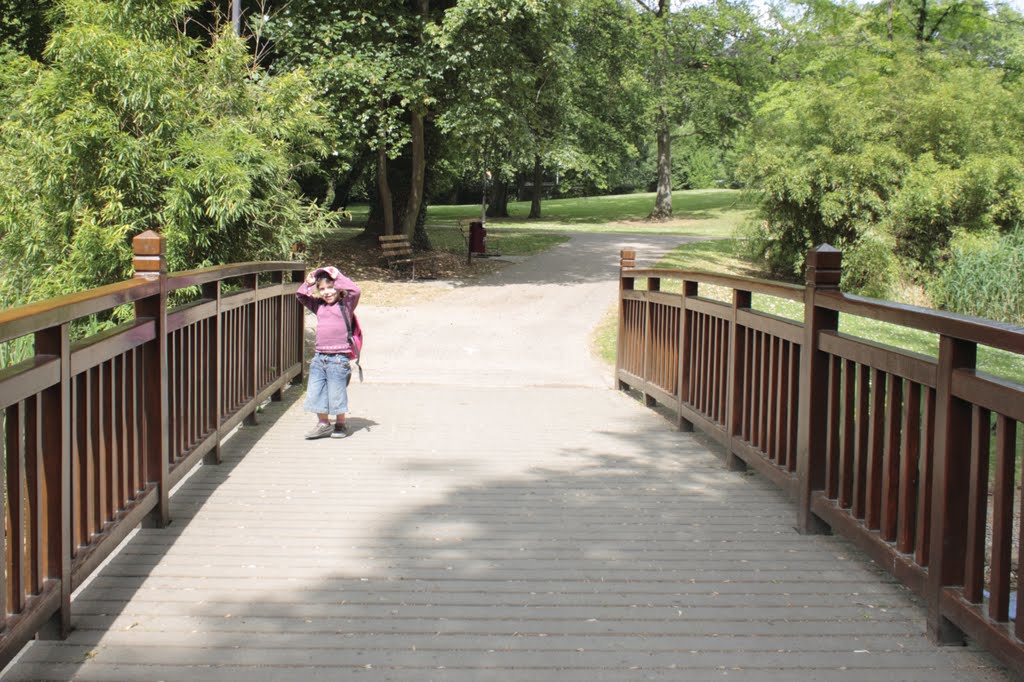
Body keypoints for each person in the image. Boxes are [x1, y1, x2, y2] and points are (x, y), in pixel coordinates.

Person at [296, 266, 361, 439]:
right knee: (316, 390)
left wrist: (337, 275)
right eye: (322, 289)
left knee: (336, 392)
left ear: (338, 288)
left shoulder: (345, 305)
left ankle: (340, 423)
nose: (327, 292)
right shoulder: (319, 306)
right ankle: (323, 424)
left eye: (330, 287)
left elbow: (355, 290)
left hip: (339, 358)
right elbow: (301, 296)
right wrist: (308, 284)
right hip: (319, 357)